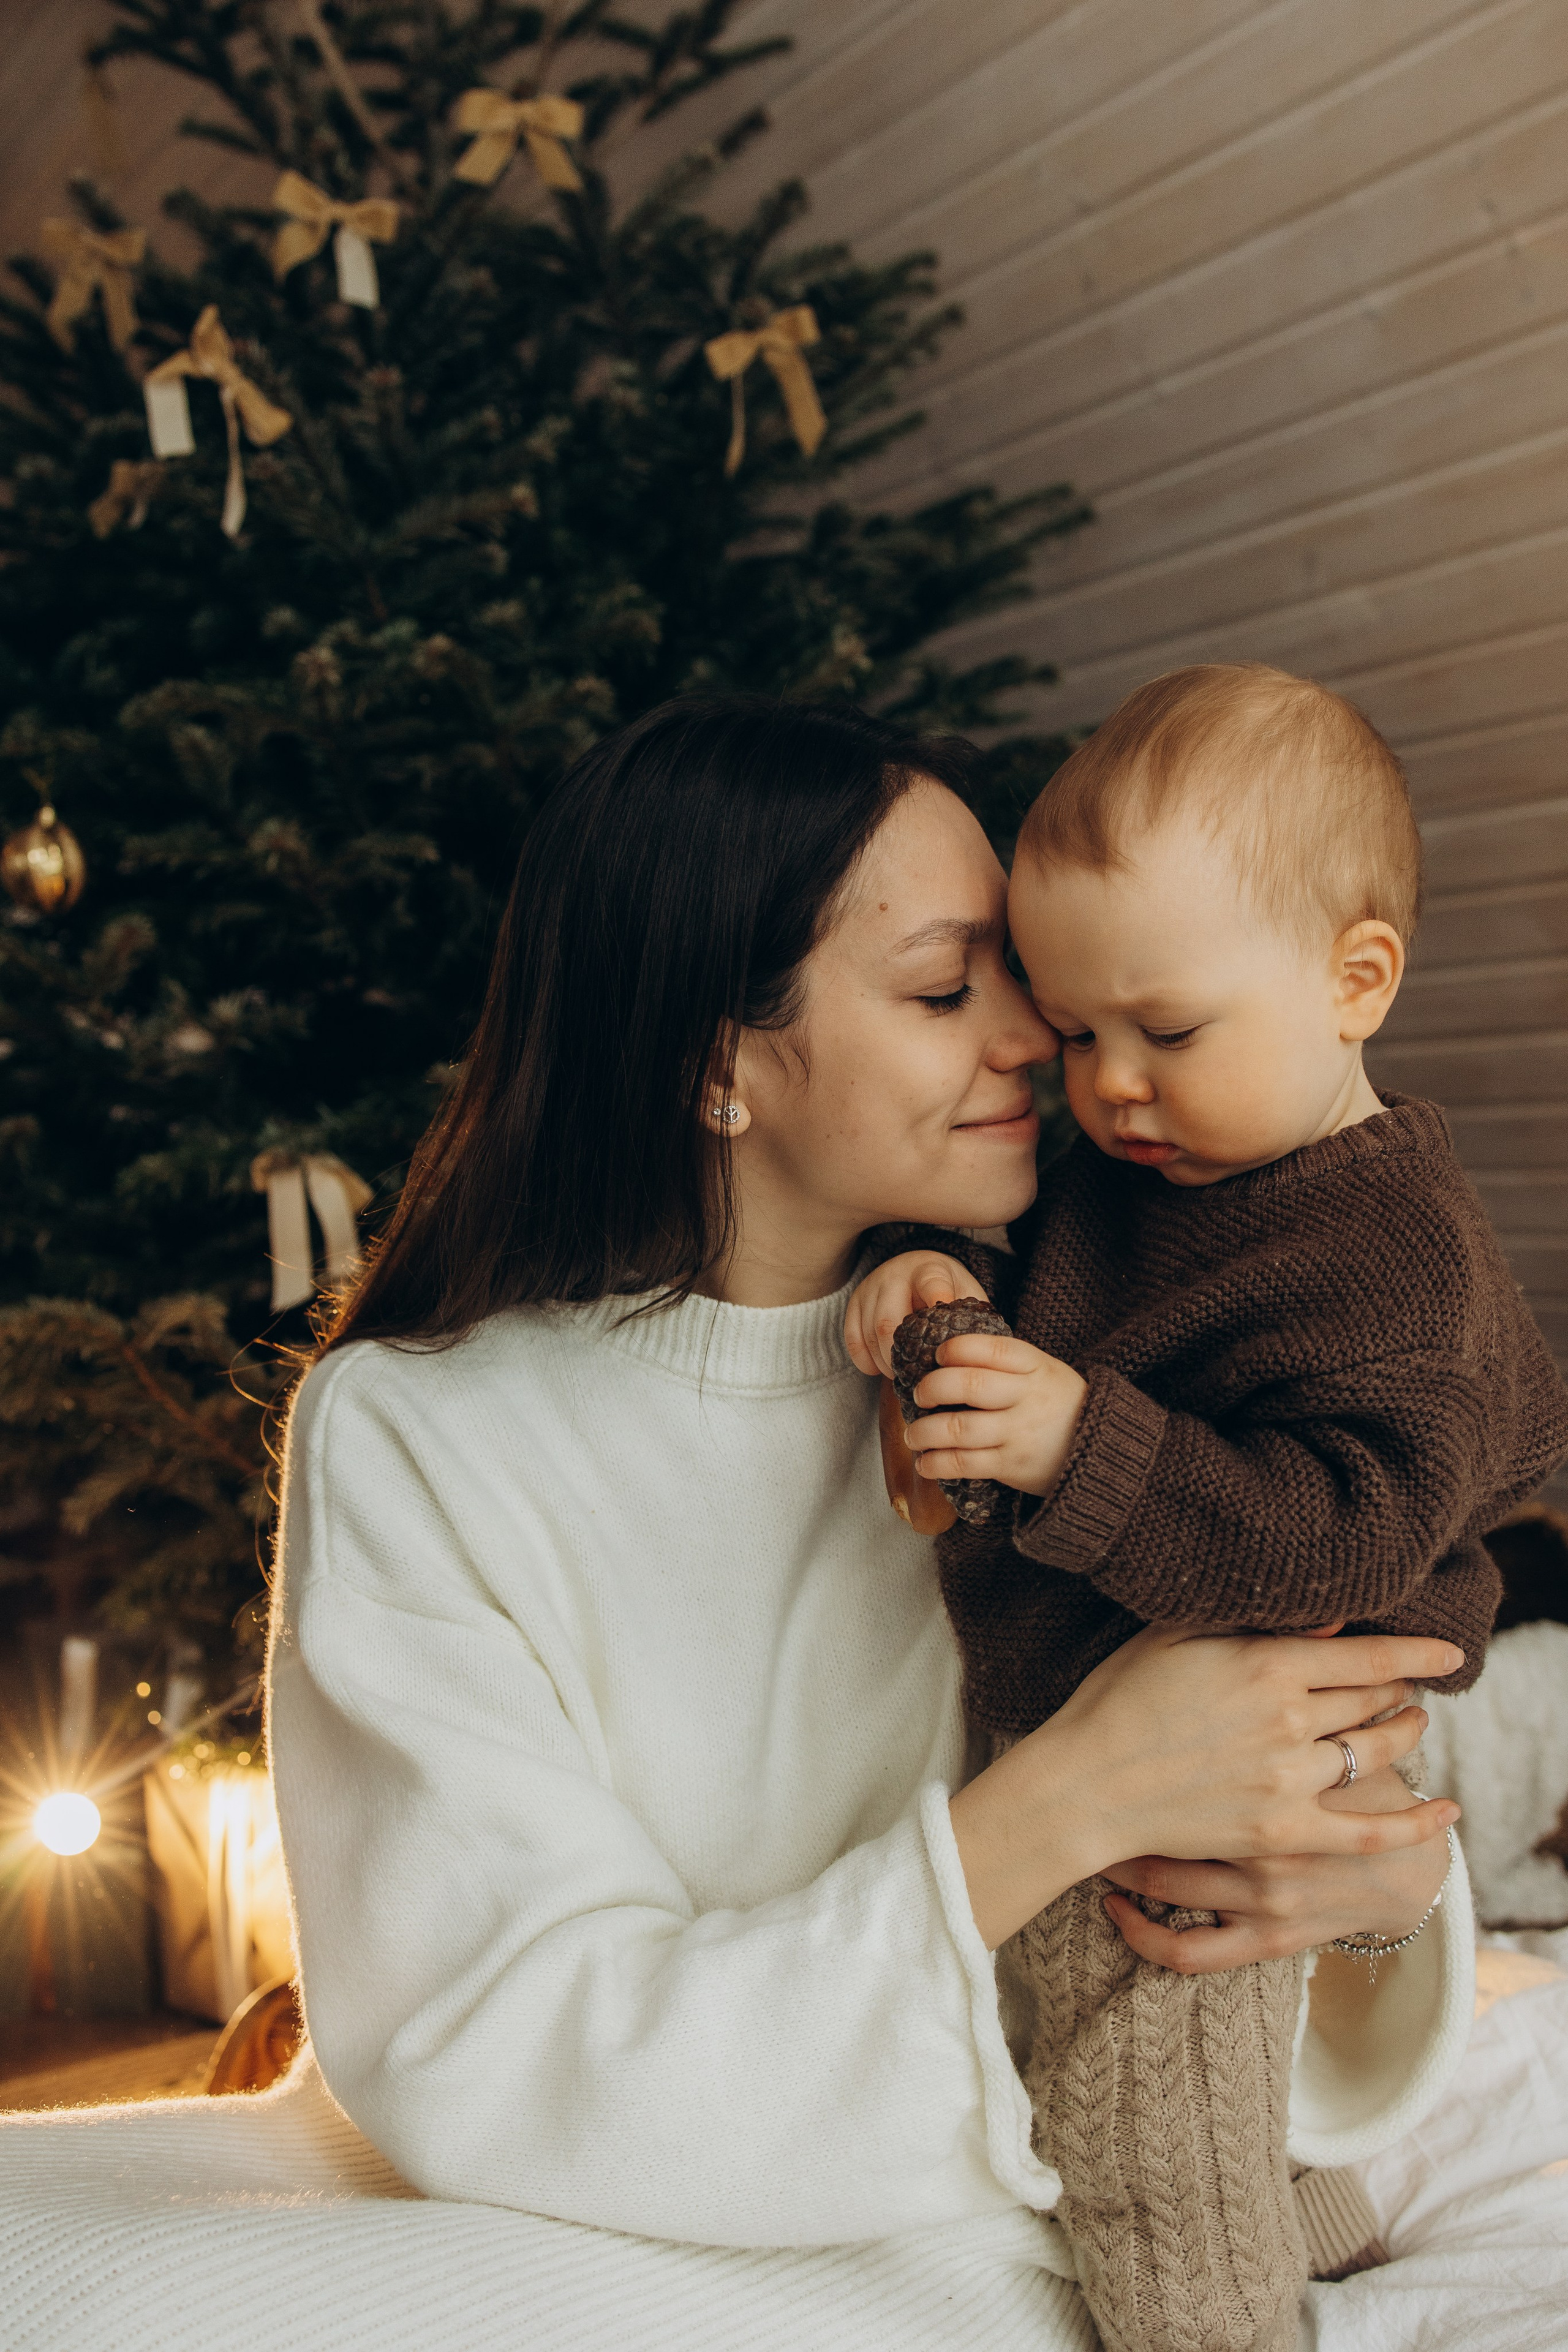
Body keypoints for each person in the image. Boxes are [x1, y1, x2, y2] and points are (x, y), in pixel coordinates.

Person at [0, 696, 1561, 2352]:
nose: (1051, 1044)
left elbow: (1313, 1768)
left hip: (1111, 2183)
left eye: (1021, 976)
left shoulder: (1056, 1353)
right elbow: (502, 2050)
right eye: (952, 987)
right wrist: (1068, 1799)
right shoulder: (425, 1436)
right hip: (667, 2198)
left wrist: (1362, 1890)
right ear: (715, 1062)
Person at [847, 665, 1568, 2352]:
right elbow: (1026, 1256)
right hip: (1093, 1738)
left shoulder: (1395, 1270)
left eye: (1162, 1032)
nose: (1106, 1087)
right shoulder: (1149, 1167)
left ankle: (1222, 2315)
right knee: (1089, 2082)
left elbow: (1347, 1548)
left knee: (1143, 2106)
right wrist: (928, 1268)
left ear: (1355, 980)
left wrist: (1079, 1444)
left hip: (1217, 1798)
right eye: (1080, 1030)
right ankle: (1316, 2205)